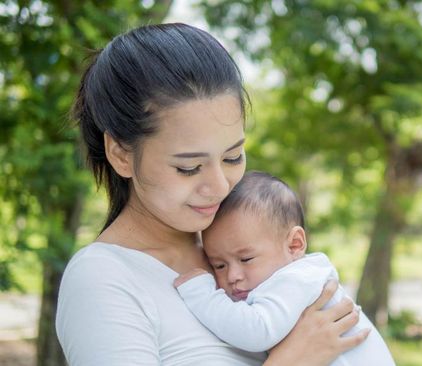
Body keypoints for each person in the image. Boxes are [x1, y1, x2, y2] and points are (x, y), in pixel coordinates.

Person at [55, 23, 369, 366]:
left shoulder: (236, 249)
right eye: (189, 168)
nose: (220, 186)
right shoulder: (103, 279)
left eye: (233, 157)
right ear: (120, 154)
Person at [173, 171, 395, 365]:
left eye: (246, 259)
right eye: (219, 265)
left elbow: (256, 331)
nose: (233, 276)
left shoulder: (297, 279)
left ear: (294, 244)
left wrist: (201, 294)